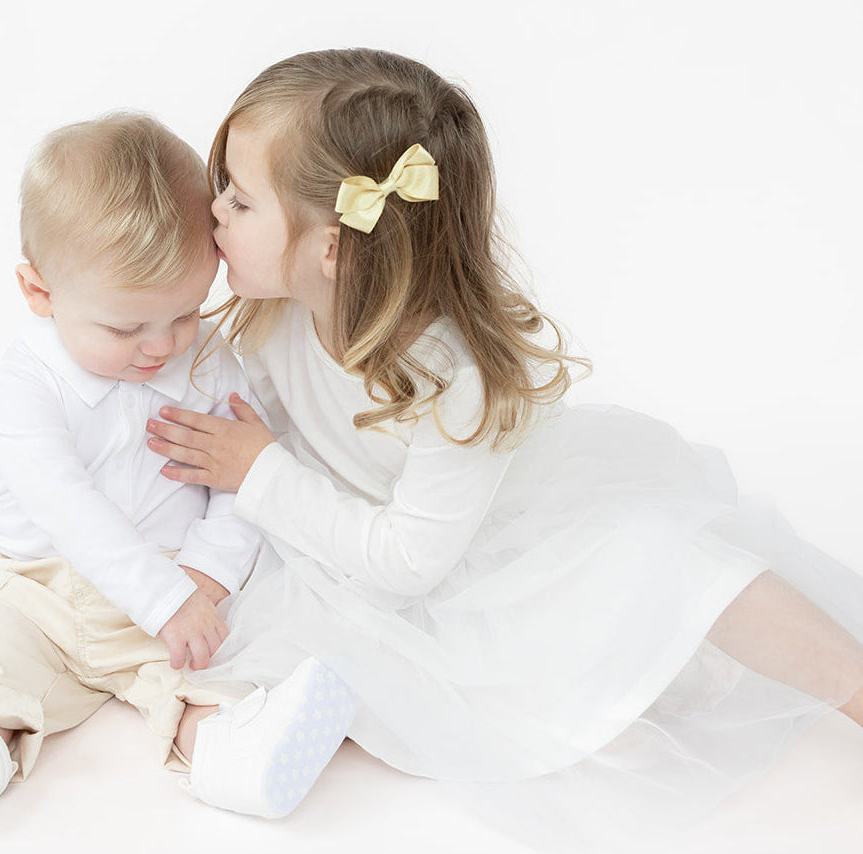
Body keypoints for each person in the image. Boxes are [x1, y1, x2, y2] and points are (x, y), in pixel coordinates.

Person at [146, 48, 863, 848]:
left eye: (239, 202)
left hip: (464, 555)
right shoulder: (273, 309)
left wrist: (259, 471)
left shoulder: (452, 377)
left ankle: (852, 684)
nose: (213, 215)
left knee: (671, 559)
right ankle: (242, 755)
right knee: (218, 664)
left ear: (333, 247)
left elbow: (412, 562)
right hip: (332, 558)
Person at [0, 112, 356, 839]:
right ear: (39, 293)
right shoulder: (25, 386)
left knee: (206, 671)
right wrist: (162, 596)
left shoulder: (203, 359)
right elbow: (64, 507)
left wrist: (206, 576)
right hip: (39, 586)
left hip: (175, 587)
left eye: (185, 313)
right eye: (125, 328)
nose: (161, 345)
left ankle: (231, 752)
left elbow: (242, 476)